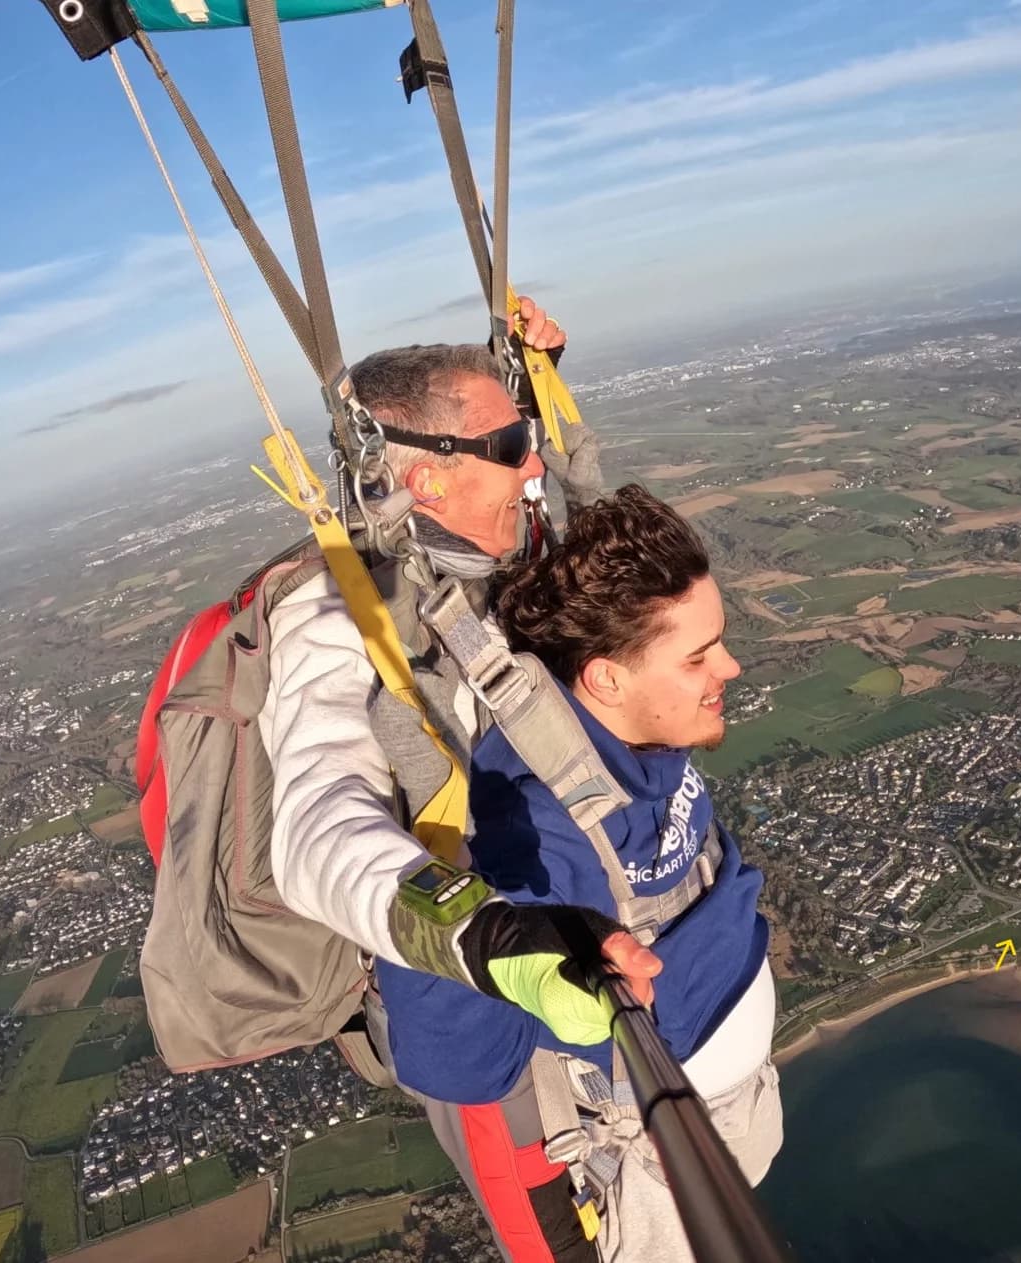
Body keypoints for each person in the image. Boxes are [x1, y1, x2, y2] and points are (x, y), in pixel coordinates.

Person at [260, 305, 666, 1261]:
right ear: (428, 476)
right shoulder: (335, 617)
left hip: (591, 946)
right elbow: (315, 831)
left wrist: (544, 385)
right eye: (511, 442)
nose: (533, 466)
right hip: (487, 1014)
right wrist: (489, 937)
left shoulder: (493, 562)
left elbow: (593, 557)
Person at [375, 485, 783, 1262]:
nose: (728, 666)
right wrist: (490, 932)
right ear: (605, 680)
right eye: (698, 656)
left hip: (715, 1123)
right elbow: (458, 1057)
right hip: (650, 1165)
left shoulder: (634, 727)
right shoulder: (540, 832)